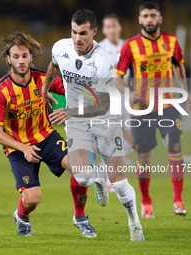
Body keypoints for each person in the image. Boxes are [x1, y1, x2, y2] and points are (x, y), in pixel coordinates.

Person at [42, 9, 144, 241]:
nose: (77, 38)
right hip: (77, 124)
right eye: (74, 32)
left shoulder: (103, 62)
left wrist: (69, 111)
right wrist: (45, 87)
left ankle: (134, 222)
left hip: (106, 121)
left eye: (83, 33)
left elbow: (104, 106)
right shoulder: (61, 47)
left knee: (119, 184)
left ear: (94, 32)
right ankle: (97, 177)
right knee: (84, 178)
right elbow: (53, 65)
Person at [0, 31, 99, 237]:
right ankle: (22, 216)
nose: (21, 61)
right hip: (18, 147)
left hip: (46, 137)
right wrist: (23, 148)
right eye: (16, 56)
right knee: (32, 199)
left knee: (81, 170)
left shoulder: (43, 80)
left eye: (25, 56)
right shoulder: (0, 92)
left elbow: (79, 93)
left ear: (31, 57)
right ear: (8, 59)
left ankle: (80, 217)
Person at [115, 1, 191, 218]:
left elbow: (178, 64)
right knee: (144, 158)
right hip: (141, 108)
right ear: (140, 19)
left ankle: (178, 200)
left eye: (153, 15)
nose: (149, 19)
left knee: (175, 146)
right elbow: (118, 78)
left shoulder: (171, 41)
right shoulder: (130, 45)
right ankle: (146, 200)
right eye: (145, 16)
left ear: (160, 18)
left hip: (168, 104)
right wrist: (128, 93)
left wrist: (185, 91)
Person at [98, 13, 134, 192]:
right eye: (108, 26)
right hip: (109, 98)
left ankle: (106, 170)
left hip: (126, 96)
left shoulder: (128, 46)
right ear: (104, 30)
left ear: (120, 27)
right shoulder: (99, 49)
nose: (112, 29)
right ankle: (108, 177)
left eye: (115, 26)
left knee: (129, 135)